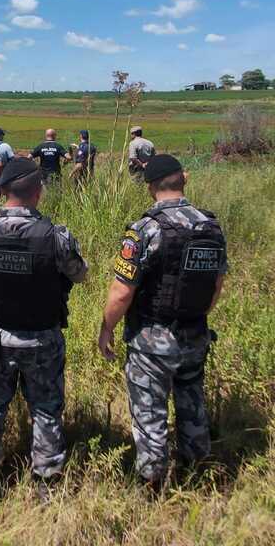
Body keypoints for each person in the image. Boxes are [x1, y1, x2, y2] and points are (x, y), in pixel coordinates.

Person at [0, 158, 89, 521]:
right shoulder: (56, 235)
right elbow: (80, 275)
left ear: (3, 191)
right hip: (42, 337)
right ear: (37, 192)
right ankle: (46, 484)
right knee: (45, 408)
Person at [98, 154, 228, 493]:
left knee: (149, 411)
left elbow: (122, 292)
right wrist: (196, 316)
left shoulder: (145, 230)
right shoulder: (210, 226)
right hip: (195, 333)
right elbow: (216, 286)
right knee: (192, 403)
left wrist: (107, 327)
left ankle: (153, 484)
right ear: (183, 180)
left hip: (151, 341)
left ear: (151, 187)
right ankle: (197, 472)